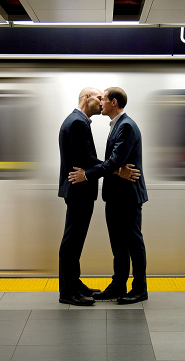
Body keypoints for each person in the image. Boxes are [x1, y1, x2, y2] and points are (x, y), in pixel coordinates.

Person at [58, 87, 139, 306]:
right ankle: (68, 291)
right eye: (98, 98)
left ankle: (73, 284)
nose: (101, 102)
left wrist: (102, 169)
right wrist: (115, 170)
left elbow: (88, 159)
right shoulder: (77, 122)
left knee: (75, 241)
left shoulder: (79, 121)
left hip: (80, 189)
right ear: (87, 98)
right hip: (78, 189)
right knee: (72, 241)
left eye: (104, 99)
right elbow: (87, 158)